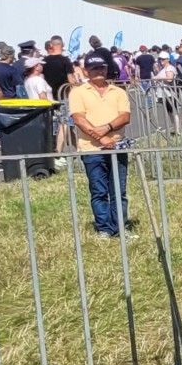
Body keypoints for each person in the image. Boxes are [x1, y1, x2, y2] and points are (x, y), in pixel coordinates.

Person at [67, 53, 132, 236]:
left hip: (118, 146)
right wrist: (101, 137)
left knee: (119, 190)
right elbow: (79, 118)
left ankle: (120, 226)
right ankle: (104, 227)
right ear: (86, 71)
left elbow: (125, 116)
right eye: (94, 68)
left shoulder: (118, 92)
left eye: (102, 67)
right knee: (99, 190)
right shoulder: (77, 92)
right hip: (91, 149)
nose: (99, 71)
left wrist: (107, 128)